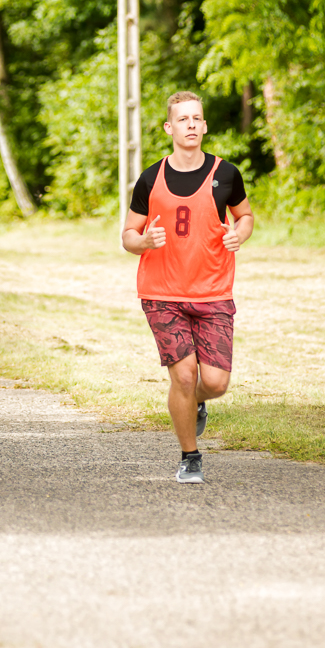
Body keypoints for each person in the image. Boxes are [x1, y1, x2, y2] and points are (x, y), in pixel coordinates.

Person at [121, 91, 254, 484]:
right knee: (183, 376)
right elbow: (128, 234)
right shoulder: (151, 178)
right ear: (170, 127)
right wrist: (143, 242)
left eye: (197, 119)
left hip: (213, 291)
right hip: (162, 292)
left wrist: (239, 234)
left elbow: (245, 216)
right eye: (183, 119)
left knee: (214, 382)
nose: (191, 125)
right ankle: (189, 456)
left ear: (205, 126)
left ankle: (193, 403)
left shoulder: (226, 174)